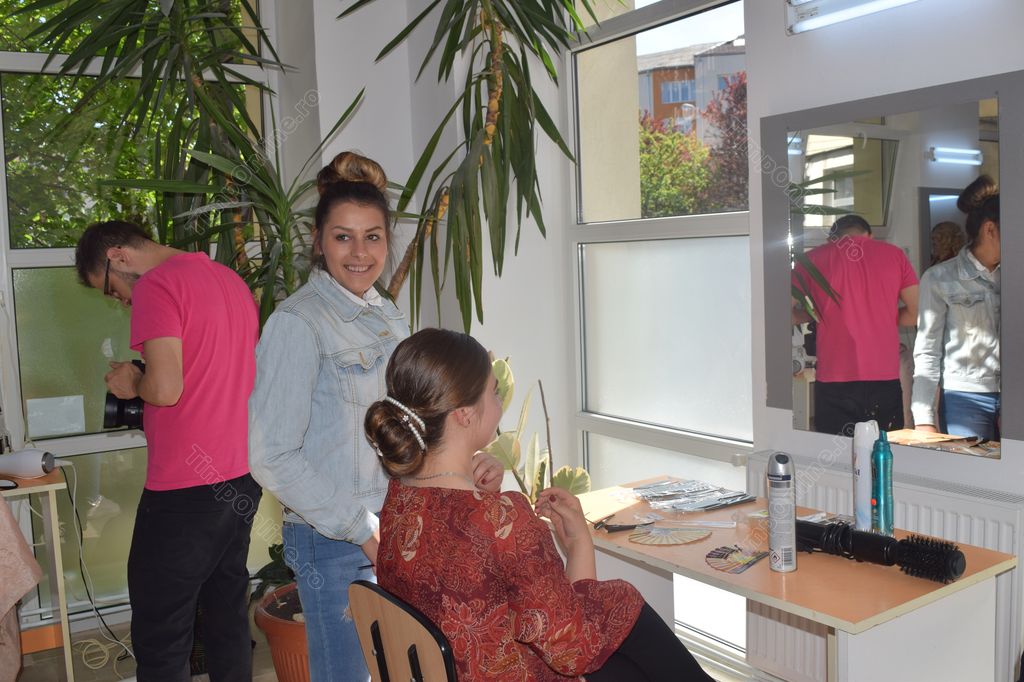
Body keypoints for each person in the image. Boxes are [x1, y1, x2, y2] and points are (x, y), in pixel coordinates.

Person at [247, 152, 504, 681]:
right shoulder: (297, 323)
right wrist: (360, 528)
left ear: (388, 242)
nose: (359, 253)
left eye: (372, 237)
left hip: (398, 524)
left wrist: (464, 467)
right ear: (318, 241)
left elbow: (404, 424)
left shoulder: (385, 313)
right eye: (343, 237)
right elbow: (271, 455)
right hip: (337, 543)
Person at [366, 328, 715, 681]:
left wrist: (479, 492)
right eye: (493, 391)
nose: (500, 402)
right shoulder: (503, 520)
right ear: (465, 414)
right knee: (625, 604)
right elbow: (572, 653)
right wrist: (579, 544)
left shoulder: (399, 499)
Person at [74, 220, 260, 682]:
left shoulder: (157, 286)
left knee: (161, 637)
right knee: (226, 618)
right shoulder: (228, 279)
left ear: (117, 256)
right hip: (239, 477)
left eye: (111, 289)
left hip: (184, 492)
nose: (121, 299)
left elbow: (165, 388)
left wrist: (132, 380)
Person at [792, 215, 919, 436]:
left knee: (836, 450)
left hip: (833, 379)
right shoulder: (894, 255)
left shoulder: (810, 260)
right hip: (884, 377)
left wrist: (811, 315)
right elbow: (915, 312)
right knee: (883, 447)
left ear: (832, 238)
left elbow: (780, 311)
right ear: (870, 235)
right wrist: (885, 316)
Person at [912, 176, 1001, 440]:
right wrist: (924, 417)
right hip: (965, 397)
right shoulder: (939, 278)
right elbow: (928, 349)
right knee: (973, 465)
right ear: (990, 229)